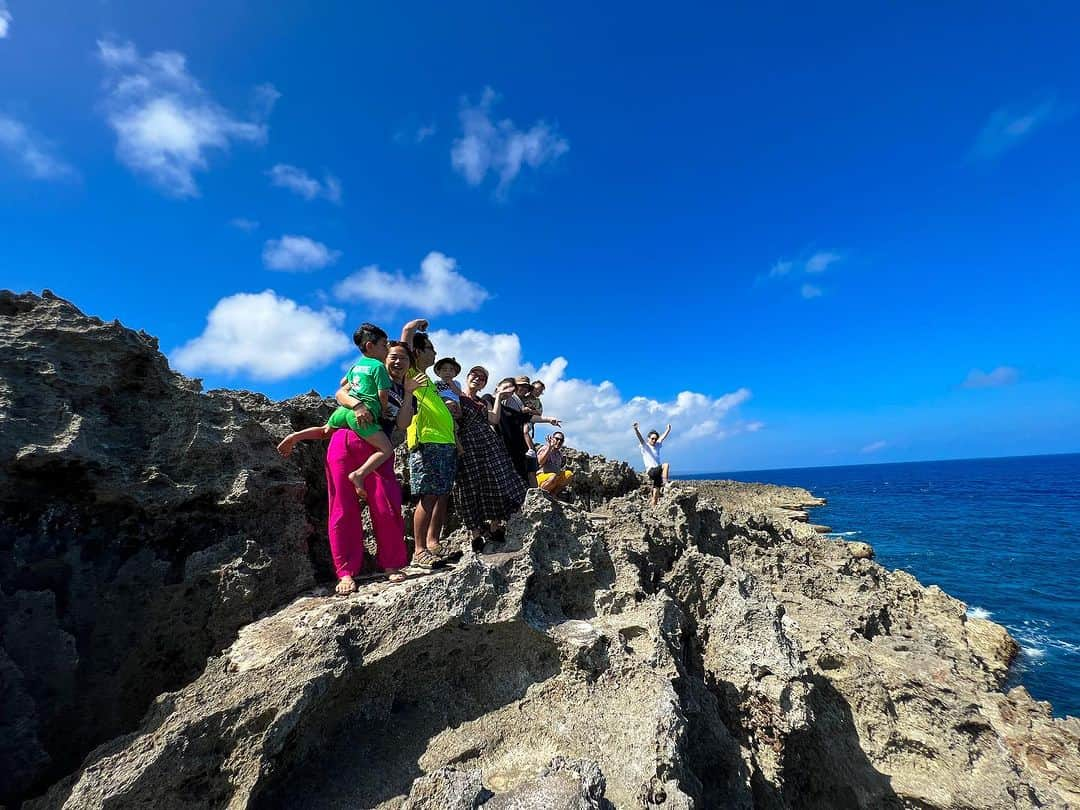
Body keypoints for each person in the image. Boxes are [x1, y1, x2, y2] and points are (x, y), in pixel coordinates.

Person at [277, 323, 395, 499]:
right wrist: (384, 410)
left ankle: (296, 436)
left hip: (344, 410)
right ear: (370, 346)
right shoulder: (378, 367)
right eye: (384, 344)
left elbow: (342, 383)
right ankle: (359, 474)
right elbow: (383, 394)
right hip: (364, 413)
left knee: (325, 430)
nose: (387, 348)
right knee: (386, 449)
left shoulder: (356, 366)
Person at [401, 319, 459, 568]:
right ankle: (419, 550)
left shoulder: (429, 382)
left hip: (443, 442)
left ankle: (432, 544)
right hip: (426, 442)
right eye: (431, 348)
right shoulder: (412, 373)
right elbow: (403, 349)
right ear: (418, 352)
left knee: (439, 495)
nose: (434, 353)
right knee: (428, 495)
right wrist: (410, 329)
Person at [452, 366, 527, 548]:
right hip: (467, 444)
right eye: (474, 375)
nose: (477, 379)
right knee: (469, 486)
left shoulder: (481, 401)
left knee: (497, 481)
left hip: (489, 443)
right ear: (468, 376)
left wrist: (500, 397)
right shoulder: (457, 395)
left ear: (485, 383)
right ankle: (475, 533)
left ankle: (495, 525)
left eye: (482, 378)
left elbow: (493, 419)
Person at [492, 378, 562, 484]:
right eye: (521, 386)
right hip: (506, 440)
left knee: (529, 470)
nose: (524, 389)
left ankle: (533, 495)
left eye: (526, 387)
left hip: (517, 439)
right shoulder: (510, 399)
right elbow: (493, 418)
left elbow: (532, 417)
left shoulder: (522, 402)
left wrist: (548, 419)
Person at [633, 421, 672, 506]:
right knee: (666, 465)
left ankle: (653, 509)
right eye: (652, 438)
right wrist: (636, 429)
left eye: (655, 439)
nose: (654, 440)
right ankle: (665, 484)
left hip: (657, 473)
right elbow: (640, 438)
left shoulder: (657, 445)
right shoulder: (645, 446)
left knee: (656, 494)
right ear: (648, 438)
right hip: (651, 471)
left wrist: (668, 430)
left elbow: (662, 437)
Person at [536, 431, 574, 496]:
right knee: (553, 476)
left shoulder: (559, 454)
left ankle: (553, 494)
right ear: (553, 439)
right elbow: (539, 462)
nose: (559, 441)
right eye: (557, 439)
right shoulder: (544, 449)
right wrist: (549, 448)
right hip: (541, 478)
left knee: (568, 474)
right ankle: (540, 494)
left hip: (553, 478)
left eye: (561, 440)